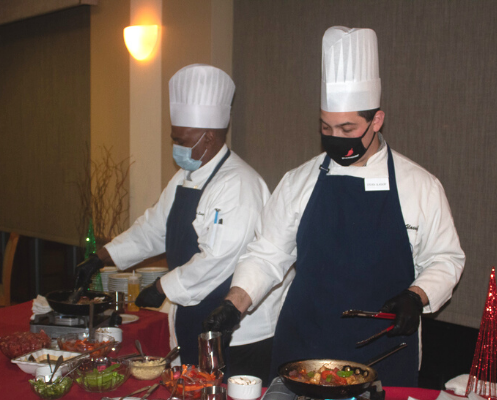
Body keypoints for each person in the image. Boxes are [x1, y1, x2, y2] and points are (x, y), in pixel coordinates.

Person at [203, 27, 465, 386]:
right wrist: (234, 304)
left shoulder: (419, 185)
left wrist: (417, 296)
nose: (335, 139)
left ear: (376, 120)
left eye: (347, 128)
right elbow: (267, 254)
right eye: (326, 127)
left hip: (383, 352)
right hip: (304, 348)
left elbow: (446, 259)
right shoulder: (299, 180)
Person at [74, 64, 289, 381]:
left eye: (182, 140)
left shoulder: (239, 184)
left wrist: (161, 286)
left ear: (210, 137)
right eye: (174, 138)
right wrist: (101, 257)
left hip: (240, 331)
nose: (176, 147)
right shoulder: (186, 176)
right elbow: (152, 228)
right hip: (194, 314)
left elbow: (218, 260)